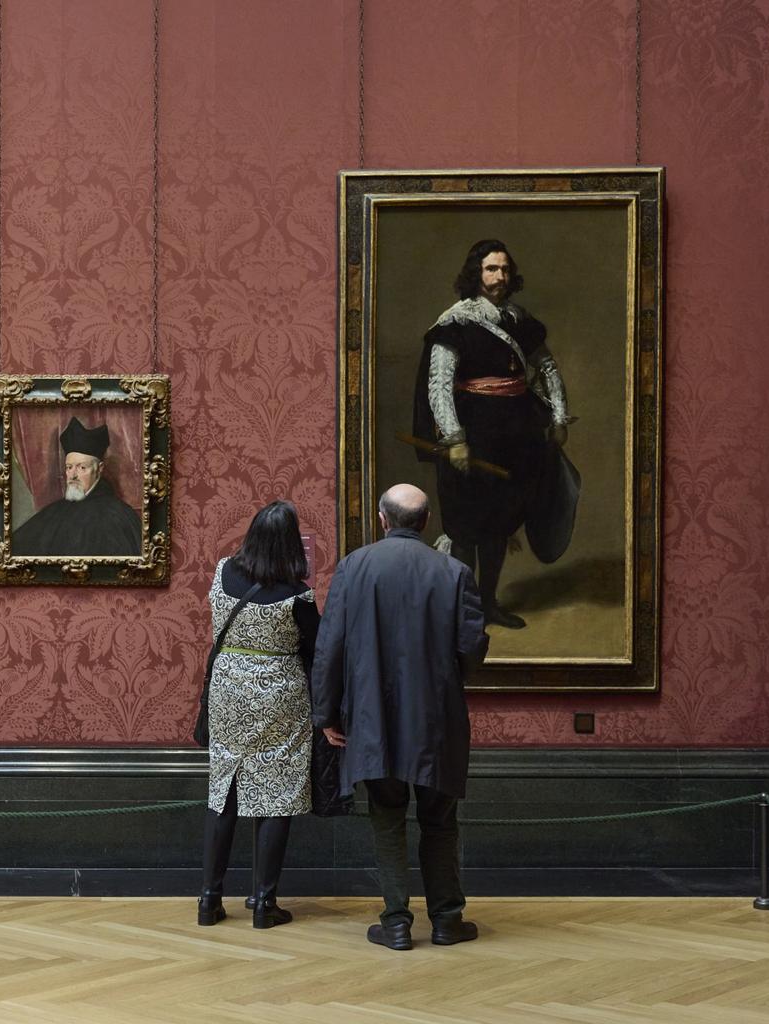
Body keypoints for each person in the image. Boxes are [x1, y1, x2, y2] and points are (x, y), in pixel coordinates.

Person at [309, 484, 489, 950]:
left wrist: (326, 713)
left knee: (387, 817)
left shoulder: (354, 567)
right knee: (440, 820)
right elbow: (472, 650)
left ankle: (395, 923)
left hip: (373, 718)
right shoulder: (454, 571)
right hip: (436, 718)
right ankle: (447, 920)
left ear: (383, 520)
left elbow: (330, 648)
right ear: (425, 522)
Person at [412, 239, 572, 629]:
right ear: (475, 274)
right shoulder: (455, 322)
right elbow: (439, 384)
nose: (498, 277)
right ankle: (465, 610)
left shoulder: (519, 320)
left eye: (503, 269)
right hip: (472, 438)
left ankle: (488, 604)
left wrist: (560, 417)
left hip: (516, 440)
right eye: (490, 269)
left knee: (499, 526)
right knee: (467, 528)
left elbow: (547, 367)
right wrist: (455, 439)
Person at [199, 500, 319, 929]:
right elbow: (315, 649)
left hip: (228, 689)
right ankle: (265, 903)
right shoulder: (297, 594)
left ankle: (209, 900)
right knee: (277, 794)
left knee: (224, 790)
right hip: (279, 694)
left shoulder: (222, 572)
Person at [10, 417, 142, 556]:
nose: (72, 475)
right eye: (69, 467)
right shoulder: (55, 511)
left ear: (99, 469)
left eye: (82, 467)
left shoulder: (118, 515)